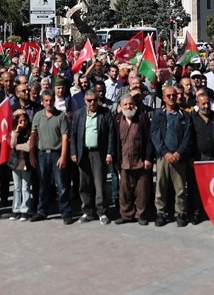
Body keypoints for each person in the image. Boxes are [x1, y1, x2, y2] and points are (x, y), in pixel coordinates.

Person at [150, 84, 193, 227]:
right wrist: (165, 153)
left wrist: (179, 153)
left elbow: (188, 136)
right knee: (161, 187)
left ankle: (181, 213)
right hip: (163, 157)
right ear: (163, 98)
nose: (172, 98)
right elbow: (155, 135)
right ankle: (161, 213)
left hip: (178, 157)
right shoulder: (158, 114)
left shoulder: (185, 115)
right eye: (168, 96)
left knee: (180, 188)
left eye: (174, 95)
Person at [29, 83, 72, 223]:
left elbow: (65, 138)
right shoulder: (37, 116)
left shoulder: (61, 116)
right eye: (46, 100)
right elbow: (33, 136)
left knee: (62, 185)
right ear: (42, 101)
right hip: (42, 154)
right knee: (43, 185)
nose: (49, 103)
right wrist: (31, 154)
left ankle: (65, 212)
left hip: (56, 154)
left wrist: (63, 157)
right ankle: (42, 211)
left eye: (51, 100)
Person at [69, 88, 113, 224]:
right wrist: (73, 152)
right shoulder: (79, 114)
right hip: (83, 153)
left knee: (99, 183)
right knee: (84, 183)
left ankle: (102, 211)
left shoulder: (105, 113)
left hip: (99, 153)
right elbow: (74, 134)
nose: (92, 103)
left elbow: (111, 134)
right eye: (89, 100)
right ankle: (87, 211)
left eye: (95, 100)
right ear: (84, 101)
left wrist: (109, 153)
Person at [110, 93, 153, 225]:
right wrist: (115, 160)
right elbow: (114, 140)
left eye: (131, 104)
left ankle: (141, 214)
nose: (129, 106)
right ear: (121, 106)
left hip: (140, 161)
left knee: (142, 191)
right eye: (126, 104)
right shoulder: (117, 119)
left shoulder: (142, 118)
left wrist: (148, 158)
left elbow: (149, 140)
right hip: (124, 162)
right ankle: (126, 215)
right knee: (124, 191)